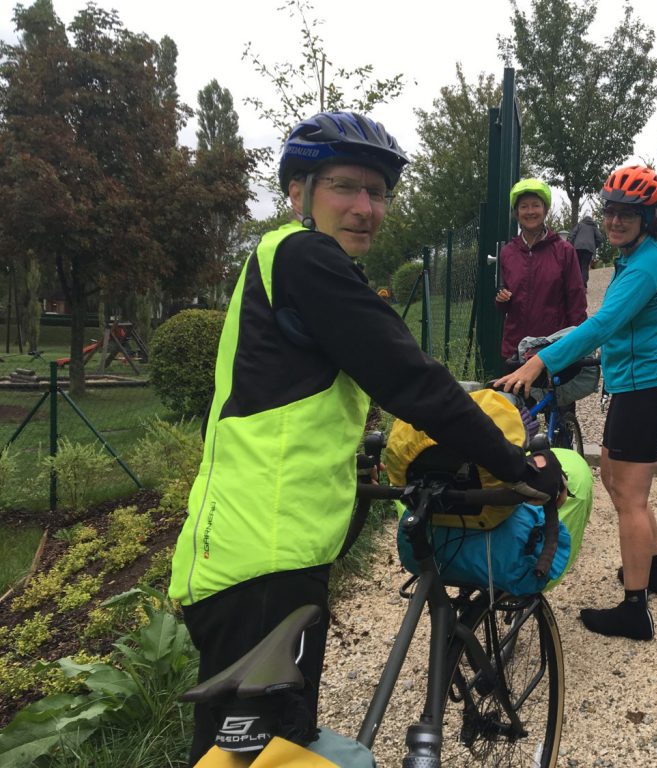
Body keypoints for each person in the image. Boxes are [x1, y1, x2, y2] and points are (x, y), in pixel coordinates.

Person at [168, 111, 563, 764]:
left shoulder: (276, 263)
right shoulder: (305, 256)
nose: (364, 207)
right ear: (299, 192)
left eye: (377, 192)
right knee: (263, 759)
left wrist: (374, 448)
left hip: (246, 560)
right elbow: (411, 379)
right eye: (345, 187)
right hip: (263, 571)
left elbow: (298, 400)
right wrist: (516, 463)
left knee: (248, 751)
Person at [494, 164, 657, 642]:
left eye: (627, 214)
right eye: (611, 212)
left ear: (647, 216)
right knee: (616, 480)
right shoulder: (636, 256)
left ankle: (635, 610)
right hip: (635, 386)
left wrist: (539, 364)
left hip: (648, 389)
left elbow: (600, 326)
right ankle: (656, 569)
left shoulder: (646, 265)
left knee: (631, 498)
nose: (615, 222)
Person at [495, 178, 587, 364]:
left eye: (535, 205)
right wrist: (501, 300)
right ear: (516, 212)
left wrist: (579, 344)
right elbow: (504, 302)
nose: (530, 211)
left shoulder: (563, 250)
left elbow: (576, 299)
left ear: (545, 210)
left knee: (550, 394)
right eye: (524, 206)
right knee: (514, 394)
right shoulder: (508, 253)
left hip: (552, 347)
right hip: (516, 349)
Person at [568, 214, 603, 287]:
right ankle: (583, 285)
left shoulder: (580, 225)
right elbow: (600, 238)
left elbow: (572, 235)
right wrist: (594, 245)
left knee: (578, 266)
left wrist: (572, 245)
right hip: (588, 249)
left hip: (577, 248)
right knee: (584, 266)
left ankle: (577, 284)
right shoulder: (593, 227)